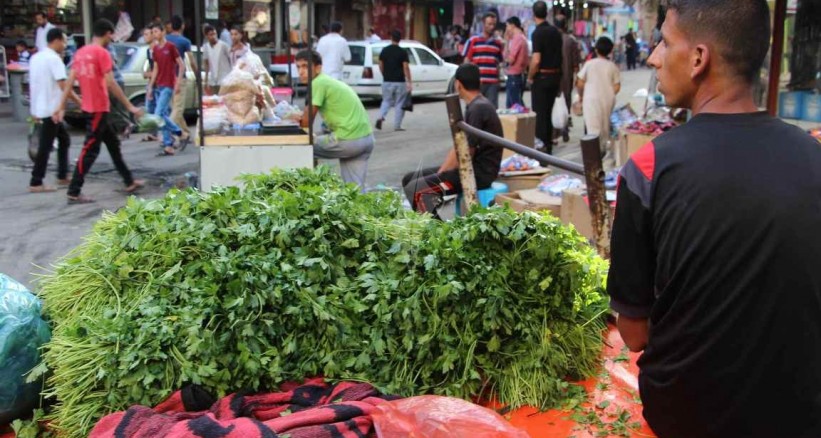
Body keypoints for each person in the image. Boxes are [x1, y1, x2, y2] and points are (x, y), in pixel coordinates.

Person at [608, 1, 821, 437]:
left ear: (699, 59)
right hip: (800, 415)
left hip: (683, 417)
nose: (654, 57)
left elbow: (633, 335)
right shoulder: (813, 157)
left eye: (665, 42)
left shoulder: (648, 168)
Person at [55, 19, 144, 204]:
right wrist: (129, 106)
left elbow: (70, 81)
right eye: (112, 35)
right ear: (107, 33)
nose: (112, 39)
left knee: (113, 145)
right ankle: (74, 190)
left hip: (92, 107)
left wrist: (61, 105)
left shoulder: (80, 53)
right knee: (90, 150)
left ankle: (129, 181)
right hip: (98, 108)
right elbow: (111, 82)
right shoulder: (102, 53)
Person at [401, 64, 502, 217]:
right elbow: (459, 146)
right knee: (409, 179)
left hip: (479, 174)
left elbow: (465, 151)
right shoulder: (477, 105)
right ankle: (432, 221)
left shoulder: (479, 108)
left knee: (418, 189)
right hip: (469, 168)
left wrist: (441, 175)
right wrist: (441, 173)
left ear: (458, 84)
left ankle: (436, 229)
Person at [295, 50, 374, 190]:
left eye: (305, 66)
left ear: (318, 67)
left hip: (348, 139)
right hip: (366, 139)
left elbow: (306, 123)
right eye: (298, 67)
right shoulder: (328, 81)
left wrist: (293, 117)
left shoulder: (318, 83)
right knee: (354, 190)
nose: (301, 72)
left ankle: (310, 190)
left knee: (302, 146)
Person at [28, 28, 78, 193]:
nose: (65, 45)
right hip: (52, 109)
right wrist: (79, 101)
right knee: (46, 146)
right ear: (56, 41)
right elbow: (64, 85)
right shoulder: (54, 59)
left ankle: (62, 175)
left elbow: (33, 84)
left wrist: (34, 109)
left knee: (63, 140)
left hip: (41, 107)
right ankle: (36, 181)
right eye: (64, 41)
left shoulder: (36, 58)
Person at [527, 1, 563, 154]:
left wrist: (530, 77)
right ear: (547, 13)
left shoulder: (537, 33)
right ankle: (548, 146)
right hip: (555, 77)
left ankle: (542, 149)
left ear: (533, 14)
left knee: (540, 115)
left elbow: (536, 60)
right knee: (548, 113)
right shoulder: (555, 32)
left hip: (542, 78)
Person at [147, 23, 187, 156]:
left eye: (156, 31)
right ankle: (168, 144)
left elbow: (181, 65)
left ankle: (179, 133)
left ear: (163, 32)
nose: (154, 34)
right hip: (159, 85)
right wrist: (150, 86)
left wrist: (178, 82)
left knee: (158, 114)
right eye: (153, 32)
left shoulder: (170, 47)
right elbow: (155, 68)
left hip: (169, 84)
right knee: (162, 115)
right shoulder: (155, 49)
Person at [576, 36, 619, 154]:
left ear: (596, 49)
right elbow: (617, 86)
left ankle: (593, 155)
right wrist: (607, 92)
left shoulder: (589, 64)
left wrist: (581, 96)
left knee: (592, 127)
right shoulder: (612, 66)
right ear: (610, 50)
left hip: (590, 98)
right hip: (607, 99)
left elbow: (580, 82)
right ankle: (602, 150)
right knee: (604, 125)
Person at [462, 13, 503, 109]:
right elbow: (466, 61)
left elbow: (498, 63)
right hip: (476, 83)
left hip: (492, 83)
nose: (492, 27)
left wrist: (498, 80)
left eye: (493, 24)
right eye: (489, 24)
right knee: (474, 109)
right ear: (483, 24)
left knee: (492, 110)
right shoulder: (473, 41)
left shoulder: (497, 43)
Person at [375, 30, 412, 132]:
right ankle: (397, 125)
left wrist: (384, 74)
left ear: (391, 38)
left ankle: (381, 117)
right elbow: (405, 67)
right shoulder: (402, 52)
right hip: (400, 81)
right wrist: (409, 81)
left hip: (387, 81)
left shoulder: (385, 50)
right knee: (400, 103)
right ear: (400, 39)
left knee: (386, 101)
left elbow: (380, 64)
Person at [166, 16, 195, 141]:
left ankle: (185, 133)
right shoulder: (185, 41)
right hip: (179, 77)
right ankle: (167, 132)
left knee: (176, 107)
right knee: (178, 108)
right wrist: (197, 74)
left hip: (167, 78)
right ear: (182, 26)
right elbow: (191, 61)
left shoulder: (165, 39)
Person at [556, 16, 581, 143]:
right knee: (565, 103)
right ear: (565, 25)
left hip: (553, 78)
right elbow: (576, 64)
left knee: (553, 104)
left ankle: (555, 132)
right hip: (567, 78)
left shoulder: (551, 39)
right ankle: (565, 129)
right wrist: (577, 78)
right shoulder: (571, 41)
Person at [107, 43, 135, 138]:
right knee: (114, 108)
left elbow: (112, 62)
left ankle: (125, 125)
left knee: (111, 108)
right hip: (111, 81)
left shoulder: (107, 47)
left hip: (114, 80)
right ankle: (123, 126)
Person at [503, 17, 528, 109]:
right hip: (518, 75)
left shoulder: (517, 39)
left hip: (514, 75)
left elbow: (510, 59)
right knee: (513, 104)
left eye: (507, 26)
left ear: (512, 25)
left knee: (515, 106)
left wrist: (506, 42)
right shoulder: (521, 38)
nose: (506, 29)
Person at [202, 24, 232, 95]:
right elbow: (206, 64)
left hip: (225, 78)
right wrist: (206, 80)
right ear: (206, 36)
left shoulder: (224, 46)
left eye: (215, 34)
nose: (213, 36)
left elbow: (231, 59)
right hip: (213, 80)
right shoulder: (206, 47)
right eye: (211, 35)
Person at [141, 27, 159, 142]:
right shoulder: (149, 50)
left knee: (162, 110)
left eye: (147, 34)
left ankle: (171, 134)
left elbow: (158, 68)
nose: (145, 36)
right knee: (150, 108)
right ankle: (153, 133)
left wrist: (150, 74)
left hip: (159, 82)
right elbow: (152, 66)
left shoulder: (157, 49)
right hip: (152, 82)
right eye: (144, 34)